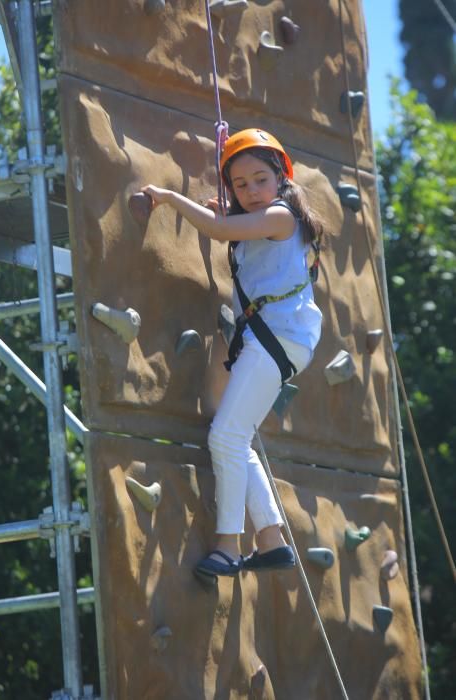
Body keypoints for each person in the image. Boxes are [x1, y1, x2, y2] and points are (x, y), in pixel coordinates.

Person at [142, 128, 323, 581]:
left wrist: (168, 197)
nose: (251, 191)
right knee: (234, 437)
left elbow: (222, 230)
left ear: (281, 177)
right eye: (240, 185)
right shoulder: (268, 222)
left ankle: (227, 546)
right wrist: (229, 215)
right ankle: (271, 539)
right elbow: (234, 230)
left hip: (277, 339)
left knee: (225, 436)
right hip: (280, 340)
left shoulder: (281, 216)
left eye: (260, 179)